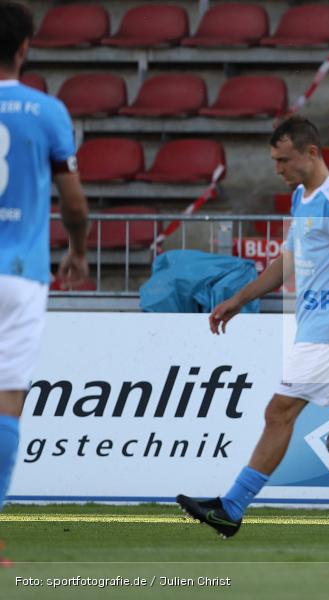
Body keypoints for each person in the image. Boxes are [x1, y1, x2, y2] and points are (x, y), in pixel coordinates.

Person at [176, 115, 329, 540]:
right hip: (317, 329)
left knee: (279, 412)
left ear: (312, 153)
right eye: (274, 161)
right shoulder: (301, 198)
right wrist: (238, 300)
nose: (278, 169)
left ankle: (232, 507)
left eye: (284, 160)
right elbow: (286, 264)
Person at [0, 0, 89, 518]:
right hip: (19, 276)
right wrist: (76, 250)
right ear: (24, 47)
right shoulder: (47, 110)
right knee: (8, 401)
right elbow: (73, 202)